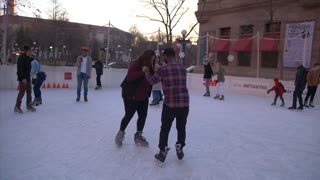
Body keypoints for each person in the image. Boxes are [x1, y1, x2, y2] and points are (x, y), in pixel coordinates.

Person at [145, 48, 189, 163]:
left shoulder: (163, 68)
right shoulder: (183, 68)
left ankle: (163, 151)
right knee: (181, 128)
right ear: (174, 55)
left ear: (165, 56)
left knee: (165, 128)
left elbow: (151, 81)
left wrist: (146, 72)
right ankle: (180, 146)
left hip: (170, 104)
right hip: (184, 104)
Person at [115, 50, 155, 147]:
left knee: (143, 116)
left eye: (153, 60)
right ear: (146, 58)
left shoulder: (150, 67)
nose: (152, 61)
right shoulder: (136, 64)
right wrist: (142, 72)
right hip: (131, 95)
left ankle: (138, 135)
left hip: (143, 95)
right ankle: (120, 134)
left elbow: (151, 79)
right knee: (129, 115)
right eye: (151, 59)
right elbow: (130, 77)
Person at [14, 46, 36, 113]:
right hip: (23, 78)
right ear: (26, 51)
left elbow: (33, 58)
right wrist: (22, 78)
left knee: (29, 92)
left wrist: (33, 56)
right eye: (30, 51)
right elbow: (20, 69)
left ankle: (28, 106)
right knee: (22, 92)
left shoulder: (28, 58)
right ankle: (17, 107)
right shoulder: (21, 58)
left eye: (31, 51)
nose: (31, 53)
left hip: (28, 78)